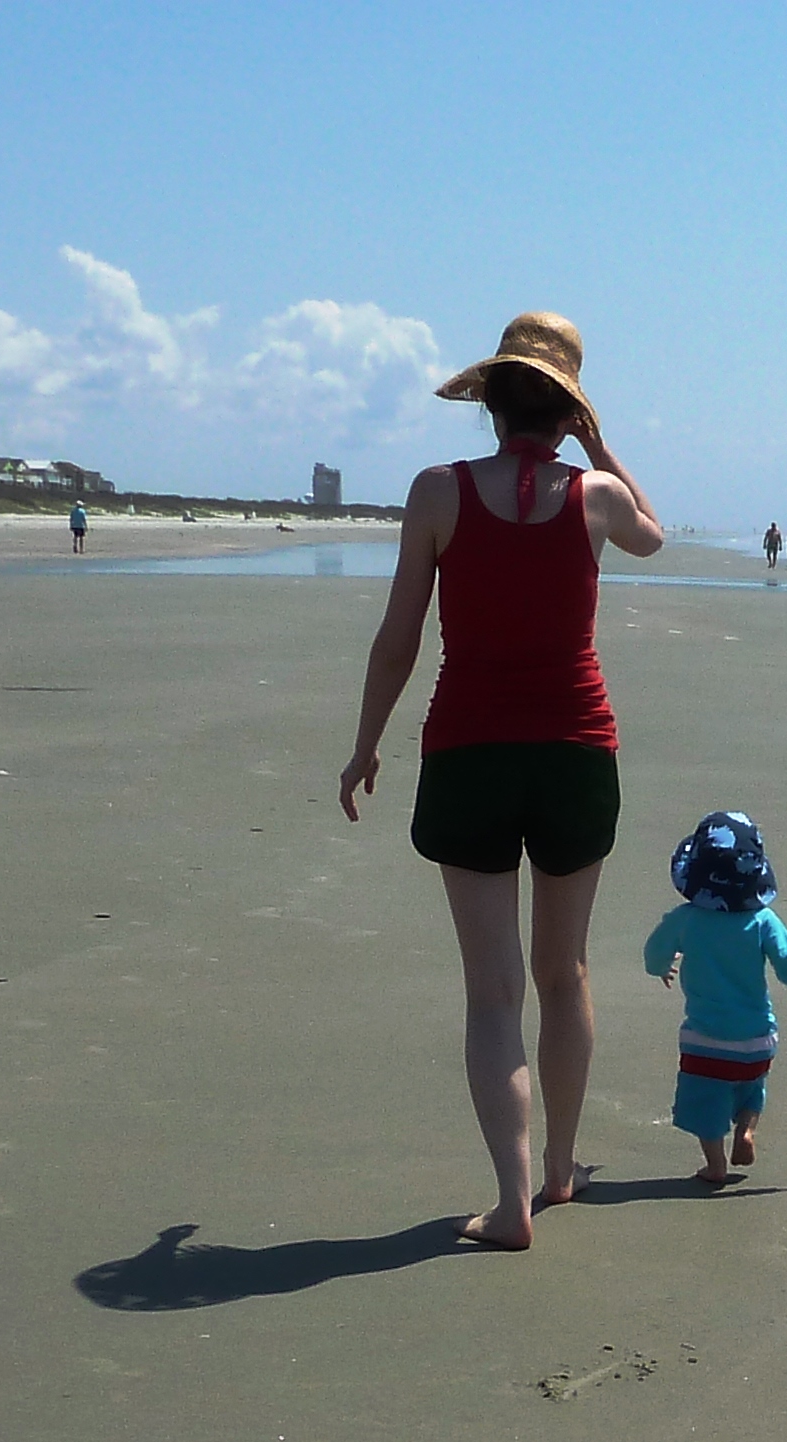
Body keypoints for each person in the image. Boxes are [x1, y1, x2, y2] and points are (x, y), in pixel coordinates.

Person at [340, 312, 668, 1250]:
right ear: (568, 412)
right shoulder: (597, 496)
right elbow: (652, 536)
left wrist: (367, 744)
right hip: (575, 751)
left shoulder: (437, 492)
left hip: (469, 750)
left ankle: (513, 1199)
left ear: (487, 403)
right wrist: (598, 447)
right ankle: (563, 1169)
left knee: (493, 992)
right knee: (565, 973)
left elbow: (399, 637)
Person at [640, 813, 787, 1186]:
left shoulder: (685, 919)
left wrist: (661, 967)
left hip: (706, 1042)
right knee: (752, 1090)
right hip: (757, 1040)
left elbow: (654, 953)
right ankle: (747, 1130)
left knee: (705, 1103)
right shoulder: (763, 921)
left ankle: (715, 1165)